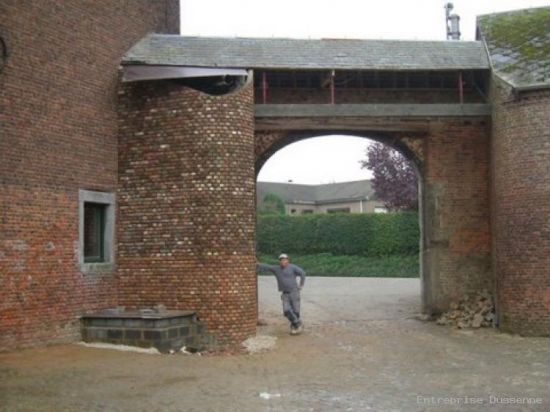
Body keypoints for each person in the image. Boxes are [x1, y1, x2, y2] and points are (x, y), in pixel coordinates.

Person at [257, 253, 306, 335]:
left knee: (296, 311)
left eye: (285, 259)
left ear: (288, 260)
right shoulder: (276, 269)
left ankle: (294, 326)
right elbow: (267, 266)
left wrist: (301, 285)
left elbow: (302, 273)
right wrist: (258, 264)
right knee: (286, 311)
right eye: (281, 260)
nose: (283, 261)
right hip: (285, 294)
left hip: (294, 292)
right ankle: (298, 323)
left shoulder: (293, 267)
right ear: (279, 261)